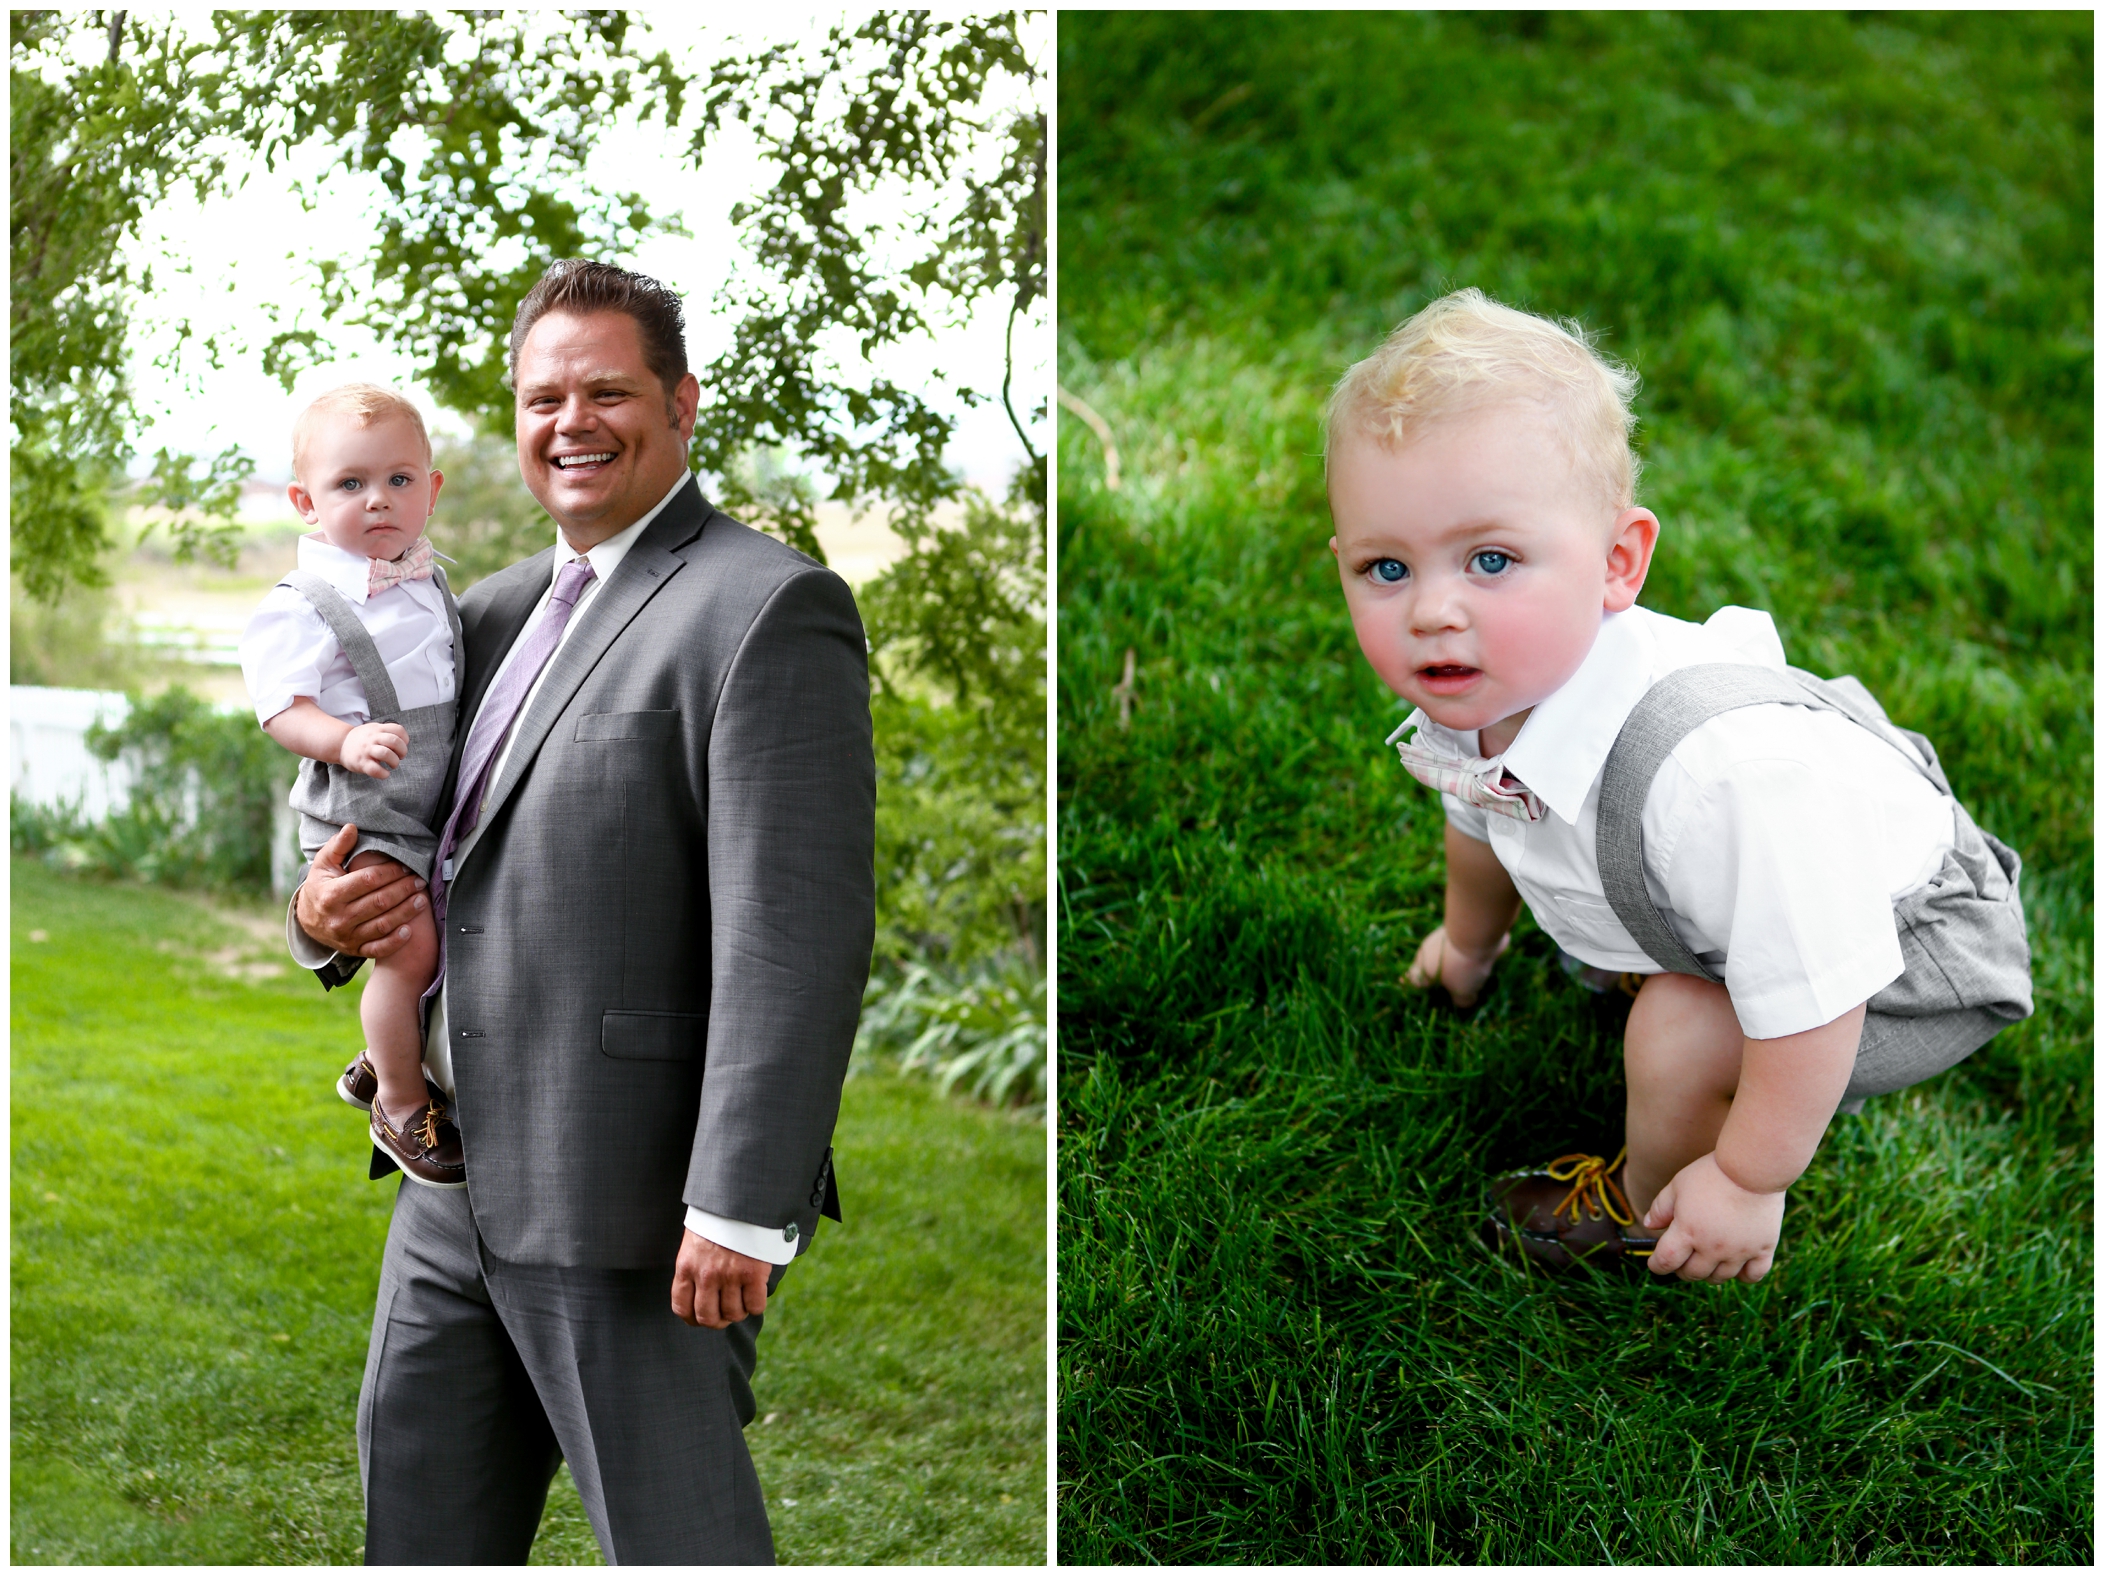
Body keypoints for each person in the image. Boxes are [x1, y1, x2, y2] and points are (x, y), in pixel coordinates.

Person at [287, 260, 874, 1562]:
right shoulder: (478, 613)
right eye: (543, 398)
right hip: (447, 1182)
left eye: (607, 391)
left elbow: (794, 936)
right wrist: (323, 911)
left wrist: (739, 1205)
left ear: (681, 403)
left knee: (679, 1544)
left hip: (633, 1203)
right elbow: (388, 825)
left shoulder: (766, 607)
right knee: (417, 1533)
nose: (571, 422)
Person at [1325, 288, 2031, 1284]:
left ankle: (1649, 1206)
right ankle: (1662, 964)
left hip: (1903, 948)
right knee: (1673, 966)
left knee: (1680, 1027)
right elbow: (1480, 821)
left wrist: (1749, 1176)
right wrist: (1467, 950)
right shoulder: (1483, 696)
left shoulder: (1716, 781)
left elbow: (1820, 984)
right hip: (1769, 900)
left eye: (1490, 559)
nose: (1433, 611)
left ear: (1618, 563)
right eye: (1385, 569)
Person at [238, 384, 464, 1186]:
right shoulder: (304, 605)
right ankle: (400, 1104)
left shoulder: (430, 583)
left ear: (431, 490)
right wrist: (344, 738)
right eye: (349, 484)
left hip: (424, 806)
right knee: (408, 945)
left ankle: (379, 1057)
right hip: (362, 812)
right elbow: (280, 708)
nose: (378, 500)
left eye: (400, 480)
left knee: (441, 935)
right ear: (305, 502)